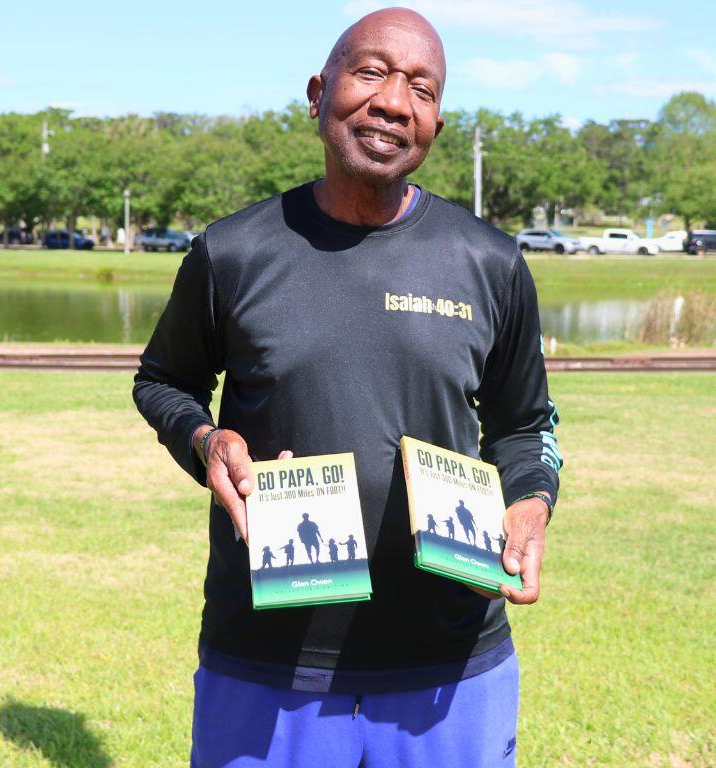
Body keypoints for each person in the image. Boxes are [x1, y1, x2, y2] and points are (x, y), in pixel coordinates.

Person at [133, 8, 561, 767]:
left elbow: (524, 426)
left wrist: (530, 502)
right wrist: (207, 440)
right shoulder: (233, 250)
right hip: (266, 659)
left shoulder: (489, 261)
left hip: (450, 666)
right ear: (317, 92)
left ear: (433, 121)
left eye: (422, 89)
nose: (395, 101)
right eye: (370, 72)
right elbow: (164, 381)